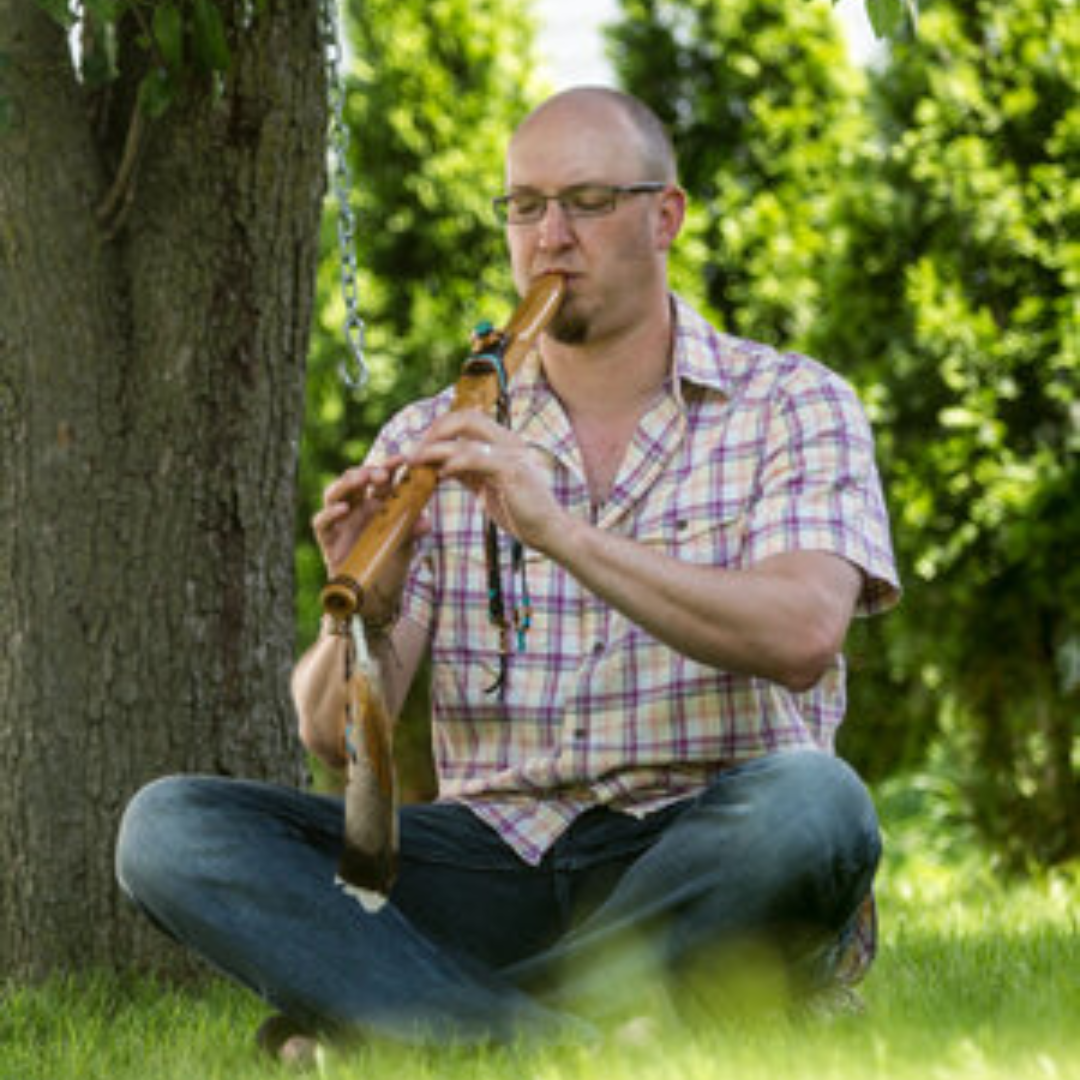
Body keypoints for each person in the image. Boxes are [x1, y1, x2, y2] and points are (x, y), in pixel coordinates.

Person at [116, 87, 900, 1059]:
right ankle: (566, 1036)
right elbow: (333, 742)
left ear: (666, 216)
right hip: (497, 855)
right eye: (525, 207)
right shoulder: (431, 435)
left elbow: (799, 635)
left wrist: (560, 530)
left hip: (702, 843)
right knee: (170, 829)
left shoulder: (791, 402)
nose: (551, 237)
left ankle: (401, 1016)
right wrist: (364, 604)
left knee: (817, 808)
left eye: (587, 201)